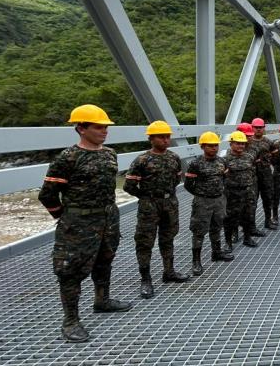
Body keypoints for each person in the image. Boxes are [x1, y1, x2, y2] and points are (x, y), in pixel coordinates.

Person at [39, 104, 133, 343]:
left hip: (108, 217)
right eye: (98, 127)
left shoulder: (109, 154)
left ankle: (102, 300)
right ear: (81, 128)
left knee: (105, 259)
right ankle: (70, 320)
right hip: (79, 221)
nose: (104, 131)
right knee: (71, 270)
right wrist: (66, 217)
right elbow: (47, 194)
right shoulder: (67, 157)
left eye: (106, 127)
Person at [124, 120, 189, 300]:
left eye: (167, 137)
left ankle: (169, 271)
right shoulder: (142, 160)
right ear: (151, 138)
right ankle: (146, 279)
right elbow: (129, 186)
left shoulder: (174, 158)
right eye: (161, 137)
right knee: (145, 242)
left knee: (168, 238)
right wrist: (146, 197)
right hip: (149, 206)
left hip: (169, 204)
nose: (165, 140)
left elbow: (177, 179)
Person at [185, 131, 233, 276]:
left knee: (217, 226)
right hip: (202, 201)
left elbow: (225, 178)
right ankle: (196, 261)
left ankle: (216, 252)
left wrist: (219, 192)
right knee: (199, 230)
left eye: (216, 145)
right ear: (203, 146)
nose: (214, 148)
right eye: (210, 146)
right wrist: (200, 194)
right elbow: (188, 184)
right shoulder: (195, 163)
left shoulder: (221, 161)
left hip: (218, 199)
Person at [223, 131, 258, 251]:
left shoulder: (249, 157)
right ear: (231, 144)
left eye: (243, 144)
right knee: (230, 218)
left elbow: (252, 171)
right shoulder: (225, 160)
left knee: (248, 215)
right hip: (232, 193)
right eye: (238, 143)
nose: (241, 146)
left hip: (247, 191)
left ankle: (247, 238)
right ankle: (228, 242)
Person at [248, 117, 276, 232]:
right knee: (252, 201)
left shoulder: (268, 142)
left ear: (264, 128)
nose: (258, 129)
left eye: (260, 127)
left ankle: (268, 221)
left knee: (267, 198)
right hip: (252, 175)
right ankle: (252, 225)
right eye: (256, 127)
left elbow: (274, 153)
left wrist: (268, 161)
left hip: (266, 174)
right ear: (252, 127)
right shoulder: (248, 142)